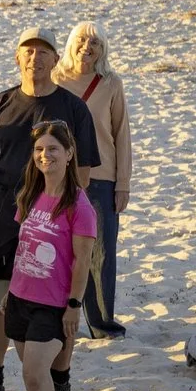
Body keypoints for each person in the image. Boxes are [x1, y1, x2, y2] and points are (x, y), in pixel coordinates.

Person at [0, 29, 102, 391]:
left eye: (43, 52)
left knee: (58, 311)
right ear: (17, 58)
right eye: (28, 51)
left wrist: (49, 211)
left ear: (56, 60)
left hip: (56, 224)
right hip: (3, 222)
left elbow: (84, 172)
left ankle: (61, 389)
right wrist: (10, 208)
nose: (35, 57)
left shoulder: (73, 108)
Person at [3, 123, 98, 391]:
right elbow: (23, 246)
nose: (45, 156)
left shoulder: (79, 206)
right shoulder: (31, 193)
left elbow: (83, 261)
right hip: (19, 298)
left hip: (53, 304)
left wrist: (73, 306)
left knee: (34, 374)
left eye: (53, 149)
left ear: (69, 153)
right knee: (33, 377)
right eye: (39, 149)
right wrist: (9, 293)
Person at [55, 22, 132, 338]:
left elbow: (121, 134)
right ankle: (59, 317)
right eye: (82, 40)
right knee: (59, 250)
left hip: (102, 178)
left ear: (103, 50)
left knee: (100, 253)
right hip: (58, 176)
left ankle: (101, 322)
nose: (88, 47)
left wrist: (122, 183)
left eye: (96, 42)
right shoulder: (54, 80)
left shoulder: (111, 84)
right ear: (71, 43)